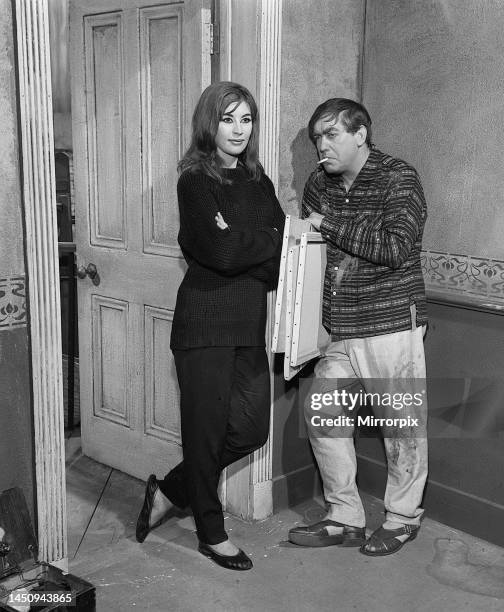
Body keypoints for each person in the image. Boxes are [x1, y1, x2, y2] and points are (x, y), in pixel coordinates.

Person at [136, 81, 285, 571]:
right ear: (209, 123)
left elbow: (279, 258)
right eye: (228, 118)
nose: (239, 129)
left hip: (247, 325)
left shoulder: (258, 180)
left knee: (250, 431)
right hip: (202, 325)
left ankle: (172, 490)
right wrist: (255, 241)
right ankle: (211, 531)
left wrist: (246, 240)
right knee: (203, 436)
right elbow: (219, 255)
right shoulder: (195, 181)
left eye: (246, 119)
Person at [288, 98, 429, 556]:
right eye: (316, 139)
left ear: (361, 134)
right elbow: (312, 248)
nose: (321, 147)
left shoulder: (398, 178)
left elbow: (394, 248)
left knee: (401, 426)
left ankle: (403, 518)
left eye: (331, 135)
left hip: (390, 323)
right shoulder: (318, 184)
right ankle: (345, 515)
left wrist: (328, 224)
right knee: (323, 416)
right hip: (339, 328)